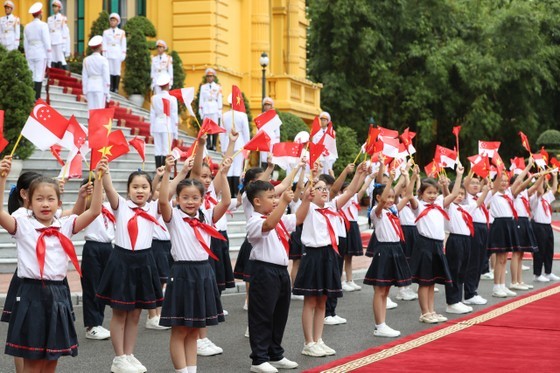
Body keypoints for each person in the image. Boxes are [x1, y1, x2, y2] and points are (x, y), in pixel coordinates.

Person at [0, 156, 104, 373]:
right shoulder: (23, 225)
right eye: (39, 199)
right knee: (32, 360)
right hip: (31, 294)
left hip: (58, 295)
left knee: (51, 359)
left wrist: (100, 179)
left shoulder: (64, 225)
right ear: (28, 201)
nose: (45, 204)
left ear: (58, 202)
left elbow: (94, 211)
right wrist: (2, 178)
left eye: (50, 199)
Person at [158, 155, 232, 373]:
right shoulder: (173, 217)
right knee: (180, 329)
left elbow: (226, 202)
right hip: (182, 273)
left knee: (194, 329)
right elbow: (163, 200)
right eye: (185, 197)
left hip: (203, 272)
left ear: (202, 199)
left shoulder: (206, 216)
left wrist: (224, 175)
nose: (190, 201)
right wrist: (168, 174)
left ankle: (192, 369)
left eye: (195, 197)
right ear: (178, 199)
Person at [97, 167, 167, 373]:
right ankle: (118, 358)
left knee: (136, 314)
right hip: (122, 261)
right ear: (127, 190)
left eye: (144, 187)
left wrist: (171, 172)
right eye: (135, 187)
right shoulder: (121, 206)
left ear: (150, 189)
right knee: (120, 313)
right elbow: (108, 188)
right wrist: (105, 170)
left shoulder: (153, 208)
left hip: (144, 261)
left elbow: (167, 193)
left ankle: (129, 354)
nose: (140, 190)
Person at [293, 162, 366, 357]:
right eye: (319, 189)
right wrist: (311, 179)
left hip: (330, 255)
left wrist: (359, 174)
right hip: (313, 255)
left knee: (323, 300)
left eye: (325, 189)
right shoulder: (307, 208)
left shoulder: (332, 206)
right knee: (310, 300)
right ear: (311, 193)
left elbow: (349, 191)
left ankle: (318, 339)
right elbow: (301, 207)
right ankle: (308, 342)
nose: (324, 192)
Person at [245, 180, 300, 372]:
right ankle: (258, 359)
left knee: (279, 315)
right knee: (262, 315)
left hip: (280, 272)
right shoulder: (254, 221)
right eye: (271, 197)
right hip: (264, 270)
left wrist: (307, 199)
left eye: (276, 196)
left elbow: (298, 218)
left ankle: (275, 353)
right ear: (257, 201)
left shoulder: (278, 218)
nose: (275, 200)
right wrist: (284, 202)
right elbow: (268, 224)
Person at [408, 166, 464, 324]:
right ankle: (424, 312)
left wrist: (459, 175)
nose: (432, 196)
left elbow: (453, 194)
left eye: (434, 192)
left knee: (432, 281)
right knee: (424, 281)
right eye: (429, 193)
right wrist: (412, 177)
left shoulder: (439, 203)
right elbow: (408, 195)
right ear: (421, 194)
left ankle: (432, 310)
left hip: (438, 245)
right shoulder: (418, 206)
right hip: (424, 245)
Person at [364, 168, 415, 337]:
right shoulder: (376, 213)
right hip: (384, 250)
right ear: (378, 198)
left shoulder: (392, 211)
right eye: (389, 197)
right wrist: (391, 178)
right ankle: (379, 325)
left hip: (395, 249)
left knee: (386, 290)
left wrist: (410, 176)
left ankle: (383, 324)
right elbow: (384, 198)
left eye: (393, 197)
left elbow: (407, 195)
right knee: (380, 289)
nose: (391, 200)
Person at [444, 178, 486, 314]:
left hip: (467, 240)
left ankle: (458, 299)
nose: (460, 196)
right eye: (457, 194)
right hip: (455, 240)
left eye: (462, 194)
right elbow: (447, 195)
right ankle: (451, 302)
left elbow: (478, 203)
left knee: (462, 271)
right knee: (454, 271)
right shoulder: (448, 206)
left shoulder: (464, 208)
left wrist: (485, 191)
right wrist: (458, 176)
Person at [80, 177, 113, 341]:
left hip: (109, 248)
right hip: (93, 248)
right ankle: (92, 325)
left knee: (104, 287)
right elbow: (89, 206)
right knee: (92, 286)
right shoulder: (88, 208)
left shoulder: (109, 207)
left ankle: (99, 322)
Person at [462, 174, 491, 305]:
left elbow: (491, 188)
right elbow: (464, 182)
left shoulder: (480, 196)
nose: (475, 185)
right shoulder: (465, 198)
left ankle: (474, 290)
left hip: (483, 228)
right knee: (473, 262)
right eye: (472, 183)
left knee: (480, 261)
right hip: (473, 227)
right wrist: (473, 167)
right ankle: (469, 293)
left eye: (477, 183)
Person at [220, 93, 250, 196]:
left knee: (229, 169)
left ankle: (229, 192)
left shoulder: (224, 115)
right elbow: (246, 132)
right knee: (237, 169)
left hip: (228, 145)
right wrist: (248, 146)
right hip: (240, 143)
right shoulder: (242, 115)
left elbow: (222, 133)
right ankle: (236, 193)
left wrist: (223, 148)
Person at [531, 171, 558, 282]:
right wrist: (541, 177)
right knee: (540, 250)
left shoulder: (546, 197)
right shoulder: (534, 198)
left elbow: (555, 189)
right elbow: (539, 190)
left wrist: (555, 176)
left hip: (547, 226)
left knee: (549, 250)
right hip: (538, 226)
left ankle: (548, 272)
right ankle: (537, 274)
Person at [150, 73, 178, 169]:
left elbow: (152, 115)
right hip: (168, 123)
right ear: (168, 84)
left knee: (158, 149)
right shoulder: (172, 98)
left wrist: (151, 128)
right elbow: (174, 115)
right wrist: (176, 131)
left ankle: (158, 168)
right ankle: (165, 170)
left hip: (157, 123)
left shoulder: (154, 98)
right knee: (166, 149)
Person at [24, 2, 51, 100]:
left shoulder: (27, 26)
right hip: (40, 53)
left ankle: (31, 96)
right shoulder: (43, 25)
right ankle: (37, 98)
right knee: (39, 75)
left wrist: (27, 55)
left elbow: (25, 44)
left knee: (31, 75)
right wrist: (49, 58)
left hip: (30, 53)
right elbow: (47, 42)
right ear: (40, 14)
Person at [82, 35, 110, 110]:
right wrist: (107, 92)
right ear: (100, 47)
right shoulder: (104, 60)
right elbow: (106, 77)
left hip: (90, 87)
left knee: (90, 111)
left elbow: (84, 77)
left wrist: (84, 91)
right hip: (100, 87)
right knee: (99, 111)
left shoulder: (86, 60)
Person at [198, 67, 222, 150]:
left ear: (214, 77)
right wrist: (200, 109)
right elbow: (201, 98)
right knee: (206, 126)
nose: (209, 78)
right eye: (208, 76)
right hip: (206, 107)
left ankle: (214, 144)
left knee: (214, 126)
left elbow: (219, 99)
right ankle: (208, 144)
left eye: (211, 76)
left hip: (214, 107)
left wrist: (220, 110)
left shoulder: (218, 87)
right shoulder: (203, 87)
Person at [102, 13, 126, 93]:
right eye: (111, 20)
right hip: (109, 51)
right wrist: (104, 53)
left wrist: (123, 53)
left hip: (117, 51)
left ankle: (116, 88)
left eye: (114, 20)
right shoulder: (106, 32)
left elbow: (123, 43)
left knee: (116, 70)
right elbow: (104, 43)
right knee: (109, 70)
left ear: (117, 22)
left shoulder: (121, 32)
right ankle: (110, 87)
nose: (112, 22)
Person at [47, 0, 70, 70]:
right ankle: (52, 73)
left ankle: (65, 72)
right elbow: (48, 31)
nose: (54, 8)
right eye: (53, 6)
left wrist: (64, 45)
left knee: (61, 58)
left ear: (59, 8)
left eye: (55, 6)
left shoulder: (63, 18)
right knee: (52, 58)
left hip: (59, 40)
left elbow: (64, 31)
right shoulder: (49, 18)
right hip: (51, 40)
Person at [259, 97, 280, 168]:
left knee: (271, 159)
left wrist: (277, 143)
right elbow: (258, 129)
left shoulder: (275, 116)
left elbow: (277, 131)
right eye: (265, 104)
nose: (267, 106)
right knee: (263, 159)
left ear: (271, 106)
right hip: (263, 139)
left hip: (272, 140)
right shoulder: (260, 116)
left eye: (268, 105)